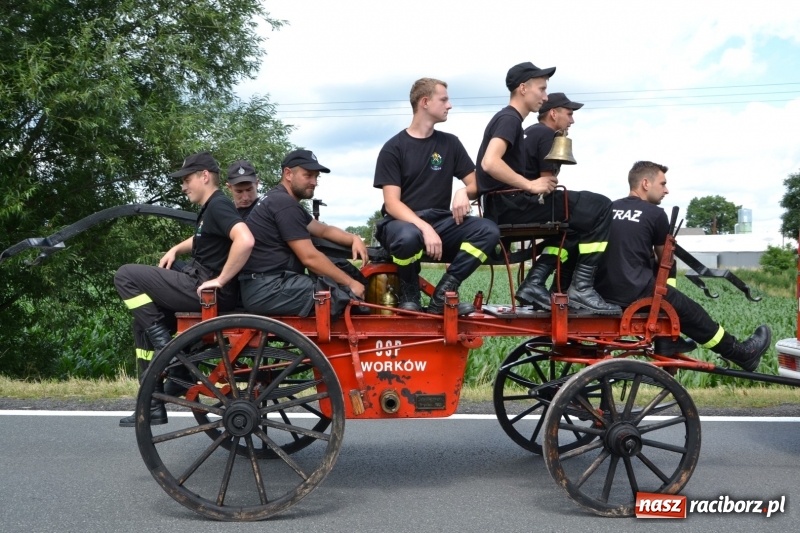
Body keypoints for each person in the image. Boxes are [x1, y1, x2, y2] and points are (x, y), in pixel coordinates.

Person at [114, 152, 255, 426]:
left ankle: (170, 352)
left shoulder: (218, 205)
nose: (183, 186)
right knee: (141, 323)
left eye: (187, 179)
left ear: (204, 176)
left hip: (206, 291)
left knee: (125, 275)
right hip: (199, 282)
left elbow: (245, 239)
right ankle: (154, 399)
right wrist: (176, 249)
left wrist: (222, 279)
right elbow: (204, 238)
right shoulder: (212, 208)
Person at [595, 161, 770, 370]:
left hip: (603, 293)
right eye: (663, 184)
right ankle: (741, 353)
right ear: (645, 183)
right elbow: (665, 261)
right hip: (636, 291)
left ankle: (668, 340)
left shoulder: (608, 209)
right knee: (694, 314)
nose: (666, 190)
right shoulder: (655, 214)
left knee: (670, 299)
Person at [475, 62, 620, 314]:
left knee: (575, 226)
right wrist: (530, 185)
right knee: (601, 206)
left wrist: (465, 192)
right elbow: (489, 162)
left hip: (503, 205)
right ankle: (581, 288)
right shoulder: (510, 119)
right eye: (541, 89)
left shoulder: (517, 124)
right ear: (523, 88)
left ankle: (535, 282)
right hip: (513, 205)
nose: (544, 96)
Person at [373, 77, 500, 315]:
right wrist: (424, 228)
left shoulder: (450, 144)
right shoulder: (394, 148)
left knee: (488, 231)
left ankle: (443, 293)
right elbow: (392, 203)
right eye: (444, 99)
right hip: (401, 224)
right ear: (424, 102)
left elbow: (475, 183)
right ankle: (409, 293)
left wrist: (464, 191)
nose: (449, 105)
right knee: (408, 236)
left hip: (441, 223)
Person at [239, 149, 369, 317]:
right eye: (308, 175)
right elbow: (310, 257)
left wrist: (353, 238)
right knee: (344, 297)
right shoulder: (283, 203)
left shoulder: (280, 199)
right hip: (269, 288)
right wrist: (351, 283)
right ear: (288, 173)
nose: (314, 182)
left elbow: (323, 230)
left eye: (316, 177)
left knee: (338, 284)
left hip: (267, 285)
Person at [523, 92, 584, 291]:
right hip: (529, 203)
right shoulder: (546, 134)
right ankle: (571, 288)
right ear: (553, 114)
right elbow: (547, 180)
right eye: (569, 113)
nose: (572, 120)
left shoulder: (531, 131)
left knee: (573, 224)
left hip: (514, 200)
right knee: (595, 210)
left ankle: (553, 286)